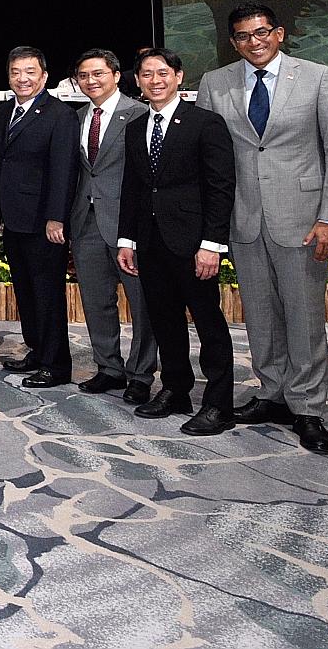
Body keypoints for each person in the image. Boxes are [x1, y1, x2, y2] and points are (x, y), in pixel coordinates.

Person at [199, 3, 328, 455]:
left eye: (262, 32)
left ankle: (307, 408)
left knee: (304, 318)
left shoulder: (318, 77)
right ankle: (271, 394)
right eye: (244, 36)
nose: (255, 42)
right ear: (233, 42)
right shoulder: (216, 83)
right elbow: (210, 157)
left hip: (304, 222)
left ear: (280, 33)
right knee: (261, 316)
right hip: (243, 220)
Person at [117, 48, 237, 436]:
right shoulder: (136, 128)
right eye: (147, 74)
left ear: (179, 76)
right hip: (151, 243)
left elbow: (221, 188)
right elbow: (132, 188)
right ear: (137, 80)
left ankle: (219, 405)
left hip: (193, 244)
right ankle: (175, 390)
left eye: (162, 73)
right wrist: (126, 239)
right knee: (165, 321)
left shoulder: (205, 123)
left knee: (209, 324)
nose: (155, 80)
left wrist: (212, 244)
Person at [69, 49, 156, 403]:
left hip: (128, 225)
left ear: (117, 75)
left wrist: (137, 229)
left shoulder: (139, 115)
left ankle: (141, 374)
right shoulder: (75, 117)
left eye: (98, 74)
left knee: (142, 305)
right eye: (84, 76)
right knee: (96, 301)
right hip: (85, 222)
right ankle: (109, 368)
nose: (91, 81)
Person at [0, 46, 79, 388]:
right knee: (26, 291)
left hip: (45, 223)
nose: (22, 78)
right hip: (14, 220)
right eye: (16, 72)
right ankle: (38, 349)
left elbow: (64, 170)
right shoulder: (3, 113)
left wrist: (56, 218)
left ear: (44, 76)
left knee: (47, 293)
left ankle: (56, 364)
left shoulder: (60, 114)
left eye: (30, 71)